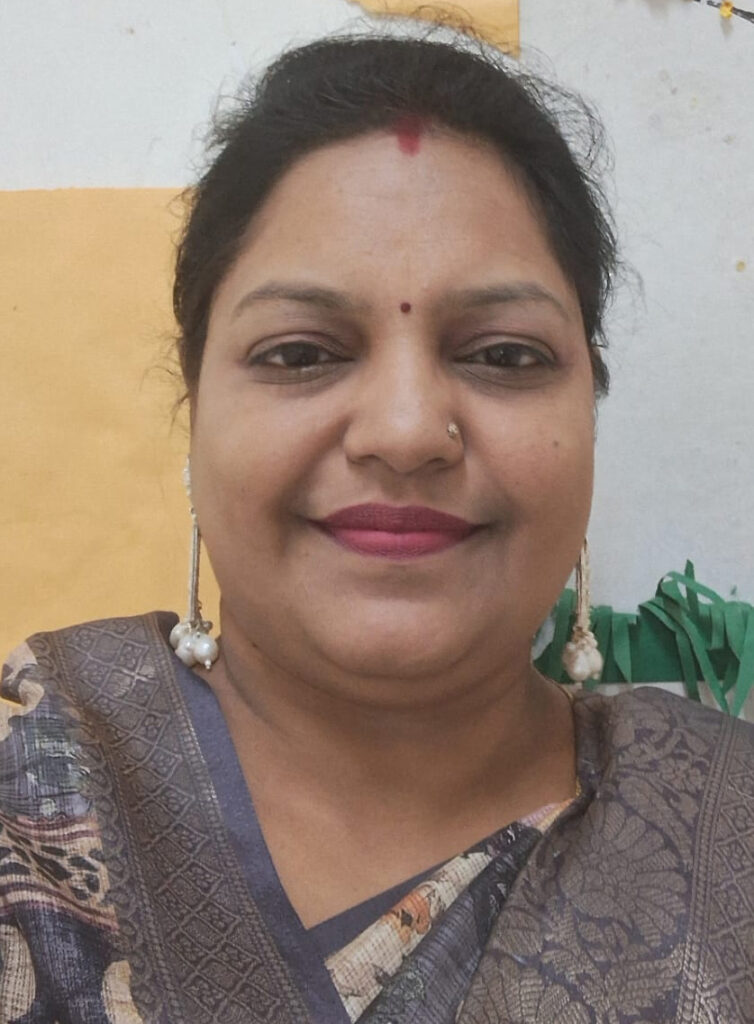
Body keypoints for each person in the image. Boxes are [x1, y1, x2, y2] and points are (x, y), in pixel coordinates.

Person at [1, 32, 752, 1024]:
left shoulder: (727, 840)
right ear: (195, 410)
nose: (405, 431)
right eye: (301, 352)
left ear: (589, 415)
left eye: (504, 354)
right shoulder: (34, 790)